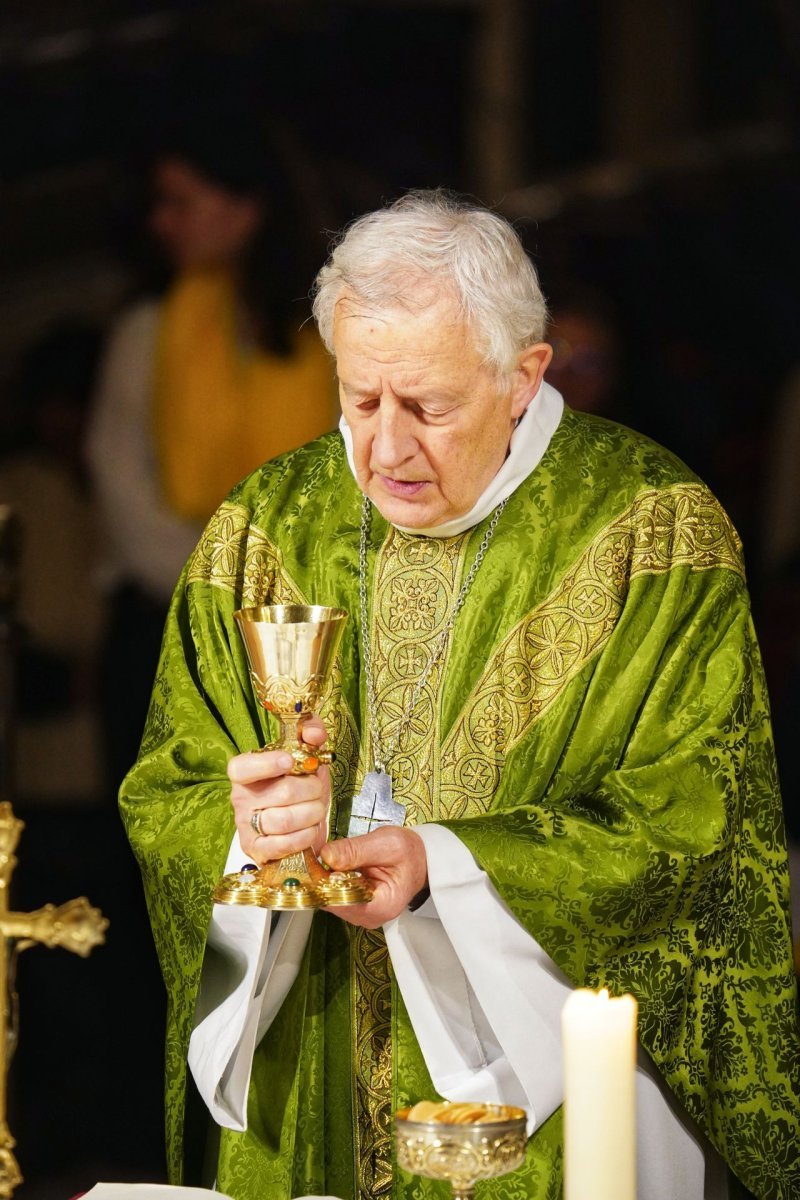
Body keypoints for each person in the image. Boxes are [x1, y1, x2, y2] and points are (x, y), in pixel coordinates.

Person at [120, 191, 799, 1200]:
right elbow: (166, 786)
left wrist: (444, 864)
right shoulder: (264, 528)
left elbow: (698, 829)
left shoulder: (650, 535)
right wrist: (243, 832)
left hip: (560, 1107)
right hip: (312, 1067)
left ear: (524, 375)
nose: (384, 450)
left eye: (427, 408)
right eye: (358, 401)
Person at [87, 118, 338, 792]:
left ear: (247, 206)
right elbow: (120, 480)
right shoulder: (148, 328)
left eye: (180, 202)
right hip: (170, 626)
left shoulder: (329, 329)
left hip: (310, 634)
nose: (162, 223)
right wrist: (221, 595)